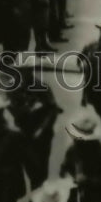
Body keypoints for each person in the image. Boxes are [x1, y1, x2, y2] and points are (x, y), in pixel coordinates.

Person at [8, 57, 62, 191]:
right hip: (24, 133)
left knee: (42, 164)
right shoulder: (13, 89)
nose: (21, 73)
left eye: (25, 70)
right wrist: (26, 110)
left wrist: (42, 129)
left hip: (42, 133)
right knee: (29, 165)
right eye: (19, 70)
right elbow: (13, 110)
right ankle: (36, 187)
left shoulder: (42, 87)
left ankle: (40, 191)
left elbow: (53, 110)